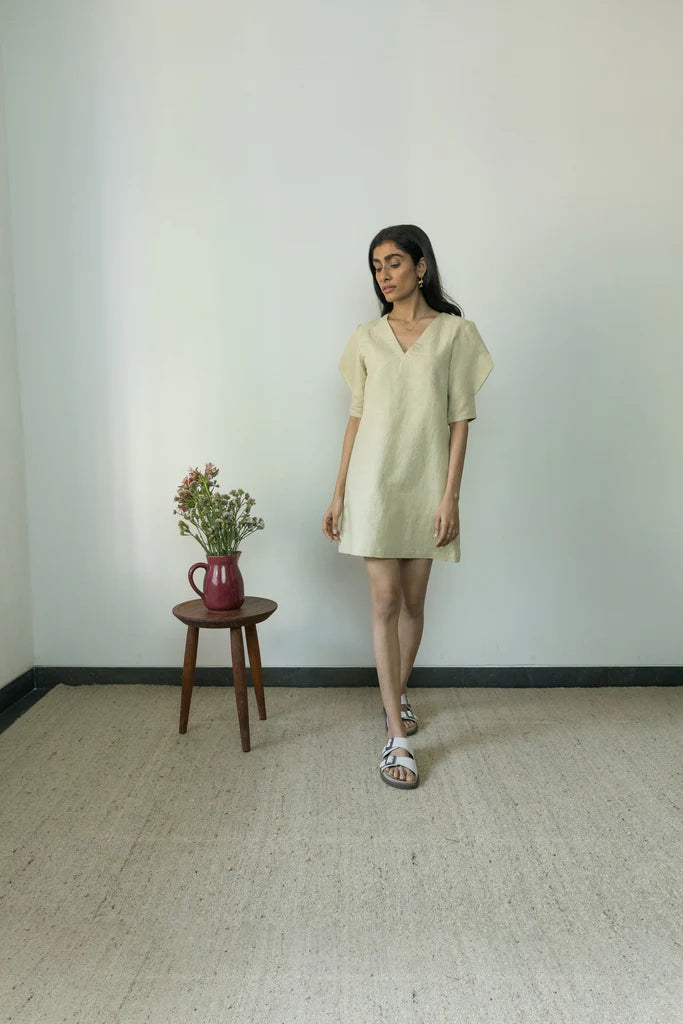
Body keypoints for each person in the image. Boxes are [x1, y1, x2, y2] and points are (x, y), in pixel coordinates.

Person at [322, 224, 494, 790]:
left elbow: (460, 420)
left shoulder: (455, 334)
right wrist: (339, 490)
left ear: (421, 267)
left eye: (393, 262)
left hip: (425, 486)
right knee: (385, 600)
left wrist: (451, 496)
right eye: (376, 267)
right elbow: (356, 417)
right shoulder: (366, 337)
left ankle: (396, 694)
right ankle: (396, 734)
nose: (384, 276)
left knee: (414, 603)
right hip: (372, 485)